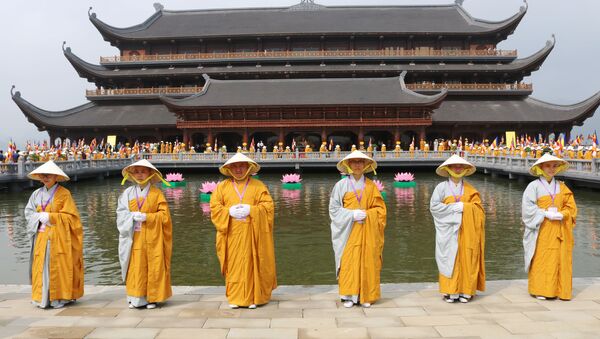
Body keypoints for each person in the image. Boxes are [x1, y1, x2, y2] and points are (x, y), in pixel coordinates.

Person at [210, 153, 276, 309]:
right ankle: (235, 297)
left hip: (253, 234)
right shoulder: (222, 187)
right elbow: (215, 208)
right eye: (235, 166)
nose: (238, 169)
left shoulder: (258, 186)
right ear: (229, 168)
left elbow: (268, 208)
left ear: (248, 168)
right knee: (234, 265)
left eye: (241, 166)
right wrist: (228, 212)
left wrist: (251, 210)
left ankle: (255, 297)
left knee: (254, 262)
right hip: (231, 234)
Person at [329, 151, 386, 308]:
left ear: (366, 165)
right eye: (354, 162)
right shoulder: (341, 185)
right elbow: (333, 209)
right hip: (348, 231)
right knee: (348, 261)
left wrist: (368, 214)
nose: (357, 165)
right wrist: (351, 214)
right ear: (348, 165)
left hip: (368, 230)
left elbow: (380, 210)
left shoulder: (371, 186)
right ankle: (348, 295)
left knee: (368, 261)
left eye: (360, 162)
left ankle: (365, 294)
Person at [24, 160, 84, 308]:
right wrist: (38, 217)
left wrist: (51, 217)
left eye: (49, 175)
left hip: (59, 237)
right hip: (41, 236)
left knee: (58, 266)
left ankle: (59, 297)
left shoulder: (64, 194)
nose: (45, 178)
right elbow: (28, 212)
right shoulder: (36, 194)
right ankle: (42, 297)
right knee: (41, 266)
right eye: (43, 175)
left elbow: (72, 218)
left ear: (56, 177)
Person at [117, 159, 173, 309]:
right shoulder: (127, 193)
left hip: (153, 236)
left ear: (150, 173)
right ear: (131, 174)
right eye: (136, 171)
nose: (140, 175)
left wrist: (148, 217)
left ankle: (152, 298)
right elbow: (121, 214)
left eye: (143, 171)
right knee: (135, 266)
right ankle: (135, 297)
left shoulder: (156, 193)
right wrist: (130, 217)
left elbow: (165, 216)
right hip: (134, 237)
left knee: (153, 265)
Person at [430, 155, 485, 303]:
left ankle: (466, 290)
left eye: (461, 166)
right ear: (448, 169)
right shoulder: (440, 188)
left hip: (467, 231)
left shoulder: (470, 189)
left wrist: (466, 207)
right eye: (454, 166)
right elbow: (434, 207)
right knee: (449, 258)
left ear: (465, 169)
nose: (458, 169)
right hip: (447, 231)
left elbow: (479, 211)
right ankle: (450, 290)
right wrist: (454, 208)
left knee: (467, 258)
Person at [522, 154, 577, 300]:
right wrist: (544, 213)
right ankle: (539, 289)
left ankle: (558, 289)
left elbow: (570, 206)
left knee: (557, 259)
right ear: (540, 167)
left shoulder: (562, 186)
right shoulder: (533, 186)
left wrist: (563, 214)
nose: (551, 169)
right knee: (541, 258)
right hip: (542, 228)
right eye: (548, 166)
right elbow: (527, 209)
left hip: (559, 228)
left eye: (554, 166)